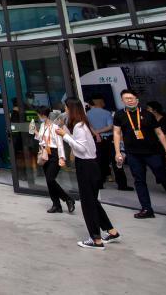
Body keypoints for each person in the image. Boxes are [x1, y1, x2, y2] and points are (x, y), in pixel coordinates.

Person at [57, 98, 121, 250]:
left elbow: (80, 148)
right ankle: (111, 231)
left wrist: (64, 136)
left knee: (88, 204)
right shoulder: (81, 124)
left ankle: (96, 239)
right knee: (93, 201)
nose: (65, 110)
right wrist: (64, 129)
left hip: (86, 166)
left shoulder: (79, 126)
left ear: (70, 108)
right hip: (90, 165)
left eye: (66, 107)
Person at [113, 88, 166, 218]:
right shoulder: (119, 115)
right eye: (126, 99)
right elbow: (117, 133)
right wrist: (118, 152)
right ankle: (146, 209)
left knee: (164, 177)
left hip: (152, 152)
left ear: (137, 99)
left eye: (131, 98)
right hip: (133, 153)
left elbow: (159, 133)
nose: (129, 101)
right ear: (122, 101)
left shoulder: (148, 114)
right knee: (139, 180)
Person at [35, 106, 74, 214]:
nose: (38, 117)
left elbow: (59, 143)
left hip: (54, 154)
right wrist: (36, 132)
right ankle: (56, 205)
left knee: (50, 179)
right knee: (49, 181)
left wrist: (61, 157)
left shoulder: (55, 127)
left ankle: (68, 199)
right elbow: (42, 139)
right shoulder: (42, 125)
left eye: (39, 115)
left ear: (43, 115)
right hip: (45, 153)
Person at [87, 96, 130, 191]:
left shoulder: (87, 114)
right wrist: (100, 131)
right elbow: (110, 126)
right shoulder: (106, 113)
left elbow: (88, 127)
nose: (104, 103)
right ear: (100, 103)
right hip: (109, 139)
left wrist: (96, 133)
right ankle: (122, 184)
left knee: (99, 162)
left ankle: (99, 183)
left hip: (96, 139)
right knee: (116, 161)